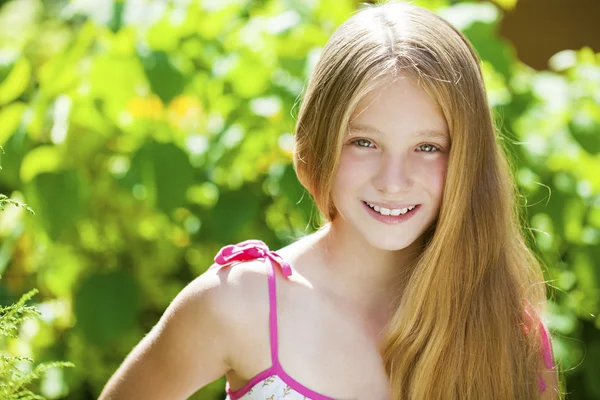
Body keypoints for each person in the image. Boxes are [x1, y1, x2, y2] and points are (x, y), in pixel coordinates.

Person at [99, 2, 560, 399]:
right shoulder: (239, 303)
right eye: (363, 142)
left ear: (467, 159)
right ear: (318, 144)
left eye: (427, 147)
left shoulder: (507, 331)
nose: (393, 181)